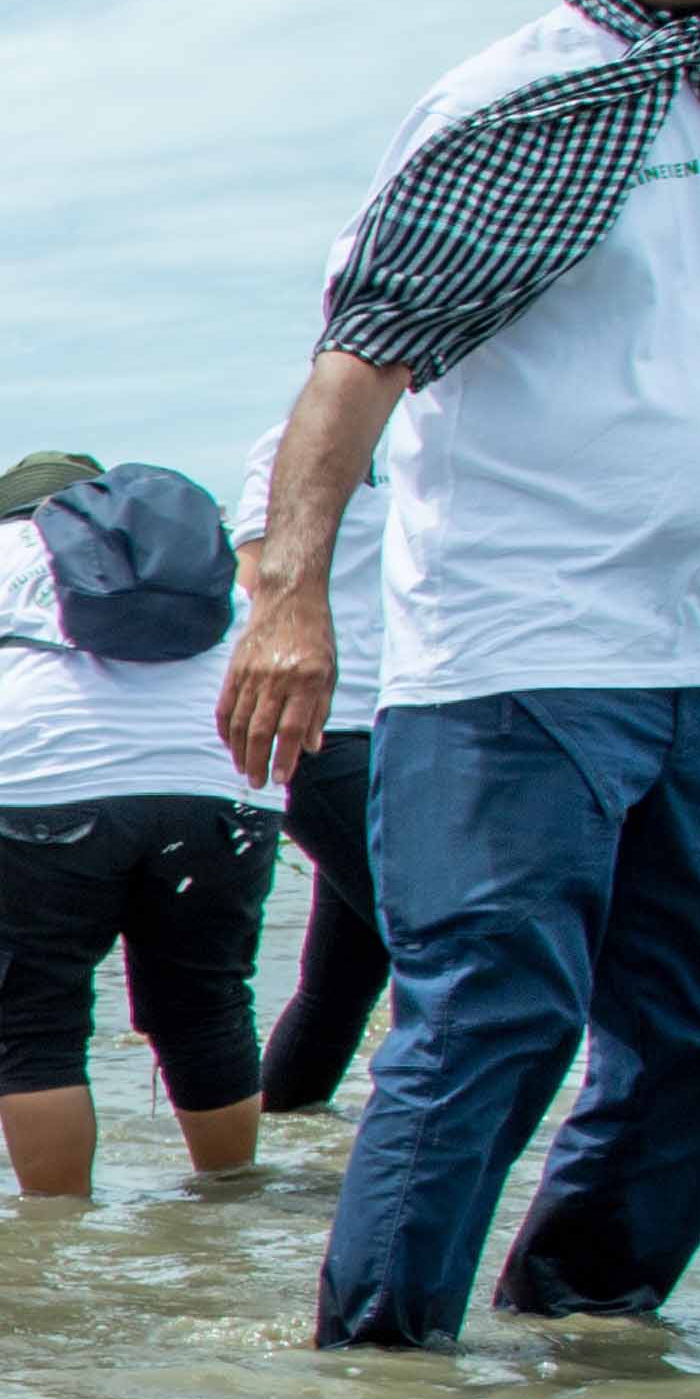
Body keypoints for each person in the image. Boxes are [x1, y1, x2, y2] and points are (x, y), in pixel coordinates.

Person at [234, 0, 700, 1346]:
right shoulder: (520, 106)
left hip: (694, 658)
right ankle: (381, 1383)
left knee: (691, 1033)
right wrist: (290, 601)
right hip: (517, 653)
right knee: (495, 1017)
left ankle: (584, 1336)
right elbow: (356, 361)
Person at [0, 454, 268, 1194]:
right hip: (223, 790)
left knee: (35, 1026)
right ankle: (232, 1213)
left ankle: (54, 1244)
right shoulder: (190, 557)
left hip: (42, 793)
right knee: (206, 1008)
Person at [227, 419, 391, 1110]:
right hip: (320, 726)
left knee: (348, 975)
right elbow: (253, 577)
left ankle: (278, 1142)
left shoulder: (447, 439)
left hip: (404, 721)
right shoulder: (307, 436)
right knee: (440, 936)